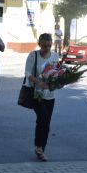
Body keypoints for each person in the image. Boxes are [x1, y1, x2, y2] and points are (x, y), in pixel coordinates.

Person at [24, 33, 59, 162]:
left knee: (46, 122)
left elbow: (57, 71)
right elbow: (27, 73)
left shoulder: (55, 55)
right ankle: (39, 147)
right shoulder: (33, 56)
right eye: (45, 46)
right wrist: (39, 82)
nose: (47, 49)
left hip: (50, 95)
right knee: (43, 118)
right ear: (39, 44)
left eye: (49, 46)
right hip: (37, 94)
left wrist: (59, 82)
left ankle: (41, 149)